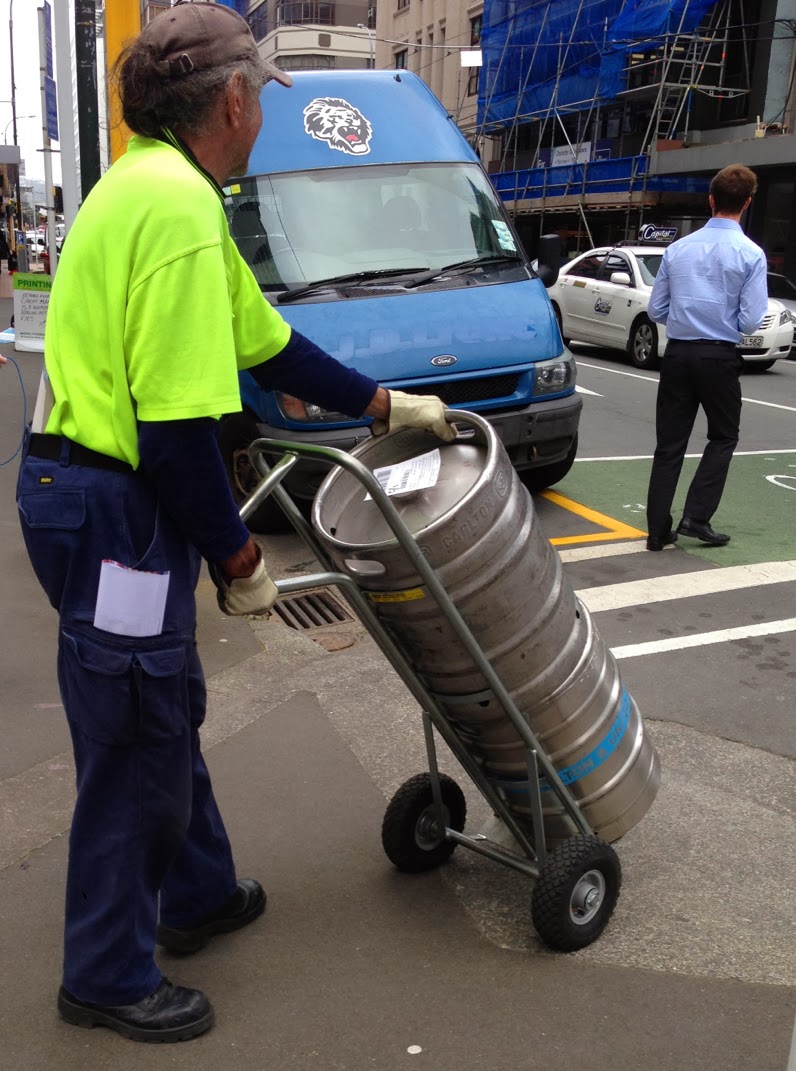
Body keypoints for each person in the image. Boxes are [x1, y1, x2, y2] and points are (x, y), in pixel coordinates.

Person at [15, 1, 455, 1045]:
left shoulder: (158, 187)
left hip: (91, 495)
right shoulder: (176, 207)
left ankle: (197, 892)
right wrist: (241, 555)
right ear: (229, 100)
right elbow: (176, 436)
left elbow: (268, 343)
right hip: (114, 510)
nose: (262, 112)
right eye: (260, 94)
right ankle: (106, 975)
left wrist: (383, 405)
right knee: (136, 734)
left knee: (162, 704)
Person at [644, 164, 767, 551]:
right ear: (747, 203)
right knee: (723, 436)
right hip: (719, 355)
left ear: (711, 200)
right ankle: (696, 517)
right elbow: (751, 320)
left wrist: (686, 316)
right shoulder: (751, 254)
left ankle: (657, 530)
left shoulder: (678, 249)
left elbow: (656, 309)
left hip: (678, 353)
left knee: (669, 443)